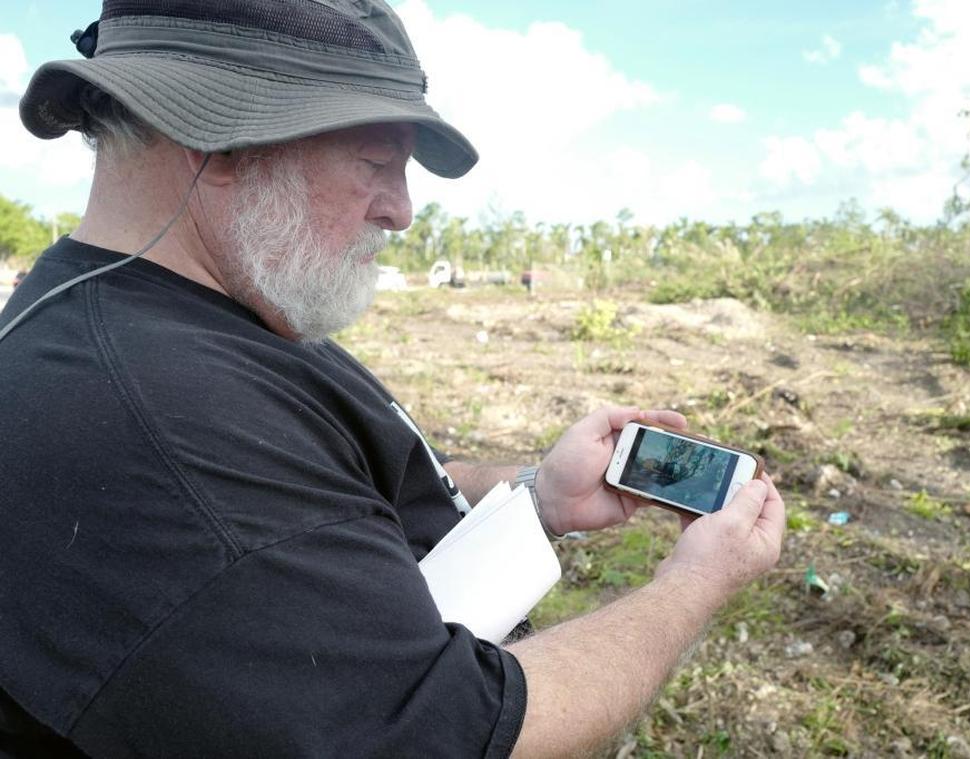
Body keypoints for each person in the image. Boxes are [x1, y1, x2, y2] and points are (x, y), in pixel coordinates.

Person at [0, 2, 785, 757]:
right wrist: (693, 583)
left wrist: (537, 494)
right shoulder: (156, 413)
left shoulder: (196, 313)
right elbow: (450, 728)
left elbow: (325, 503)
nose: (403, 210)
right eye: (377, 164)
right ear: (220, 137)